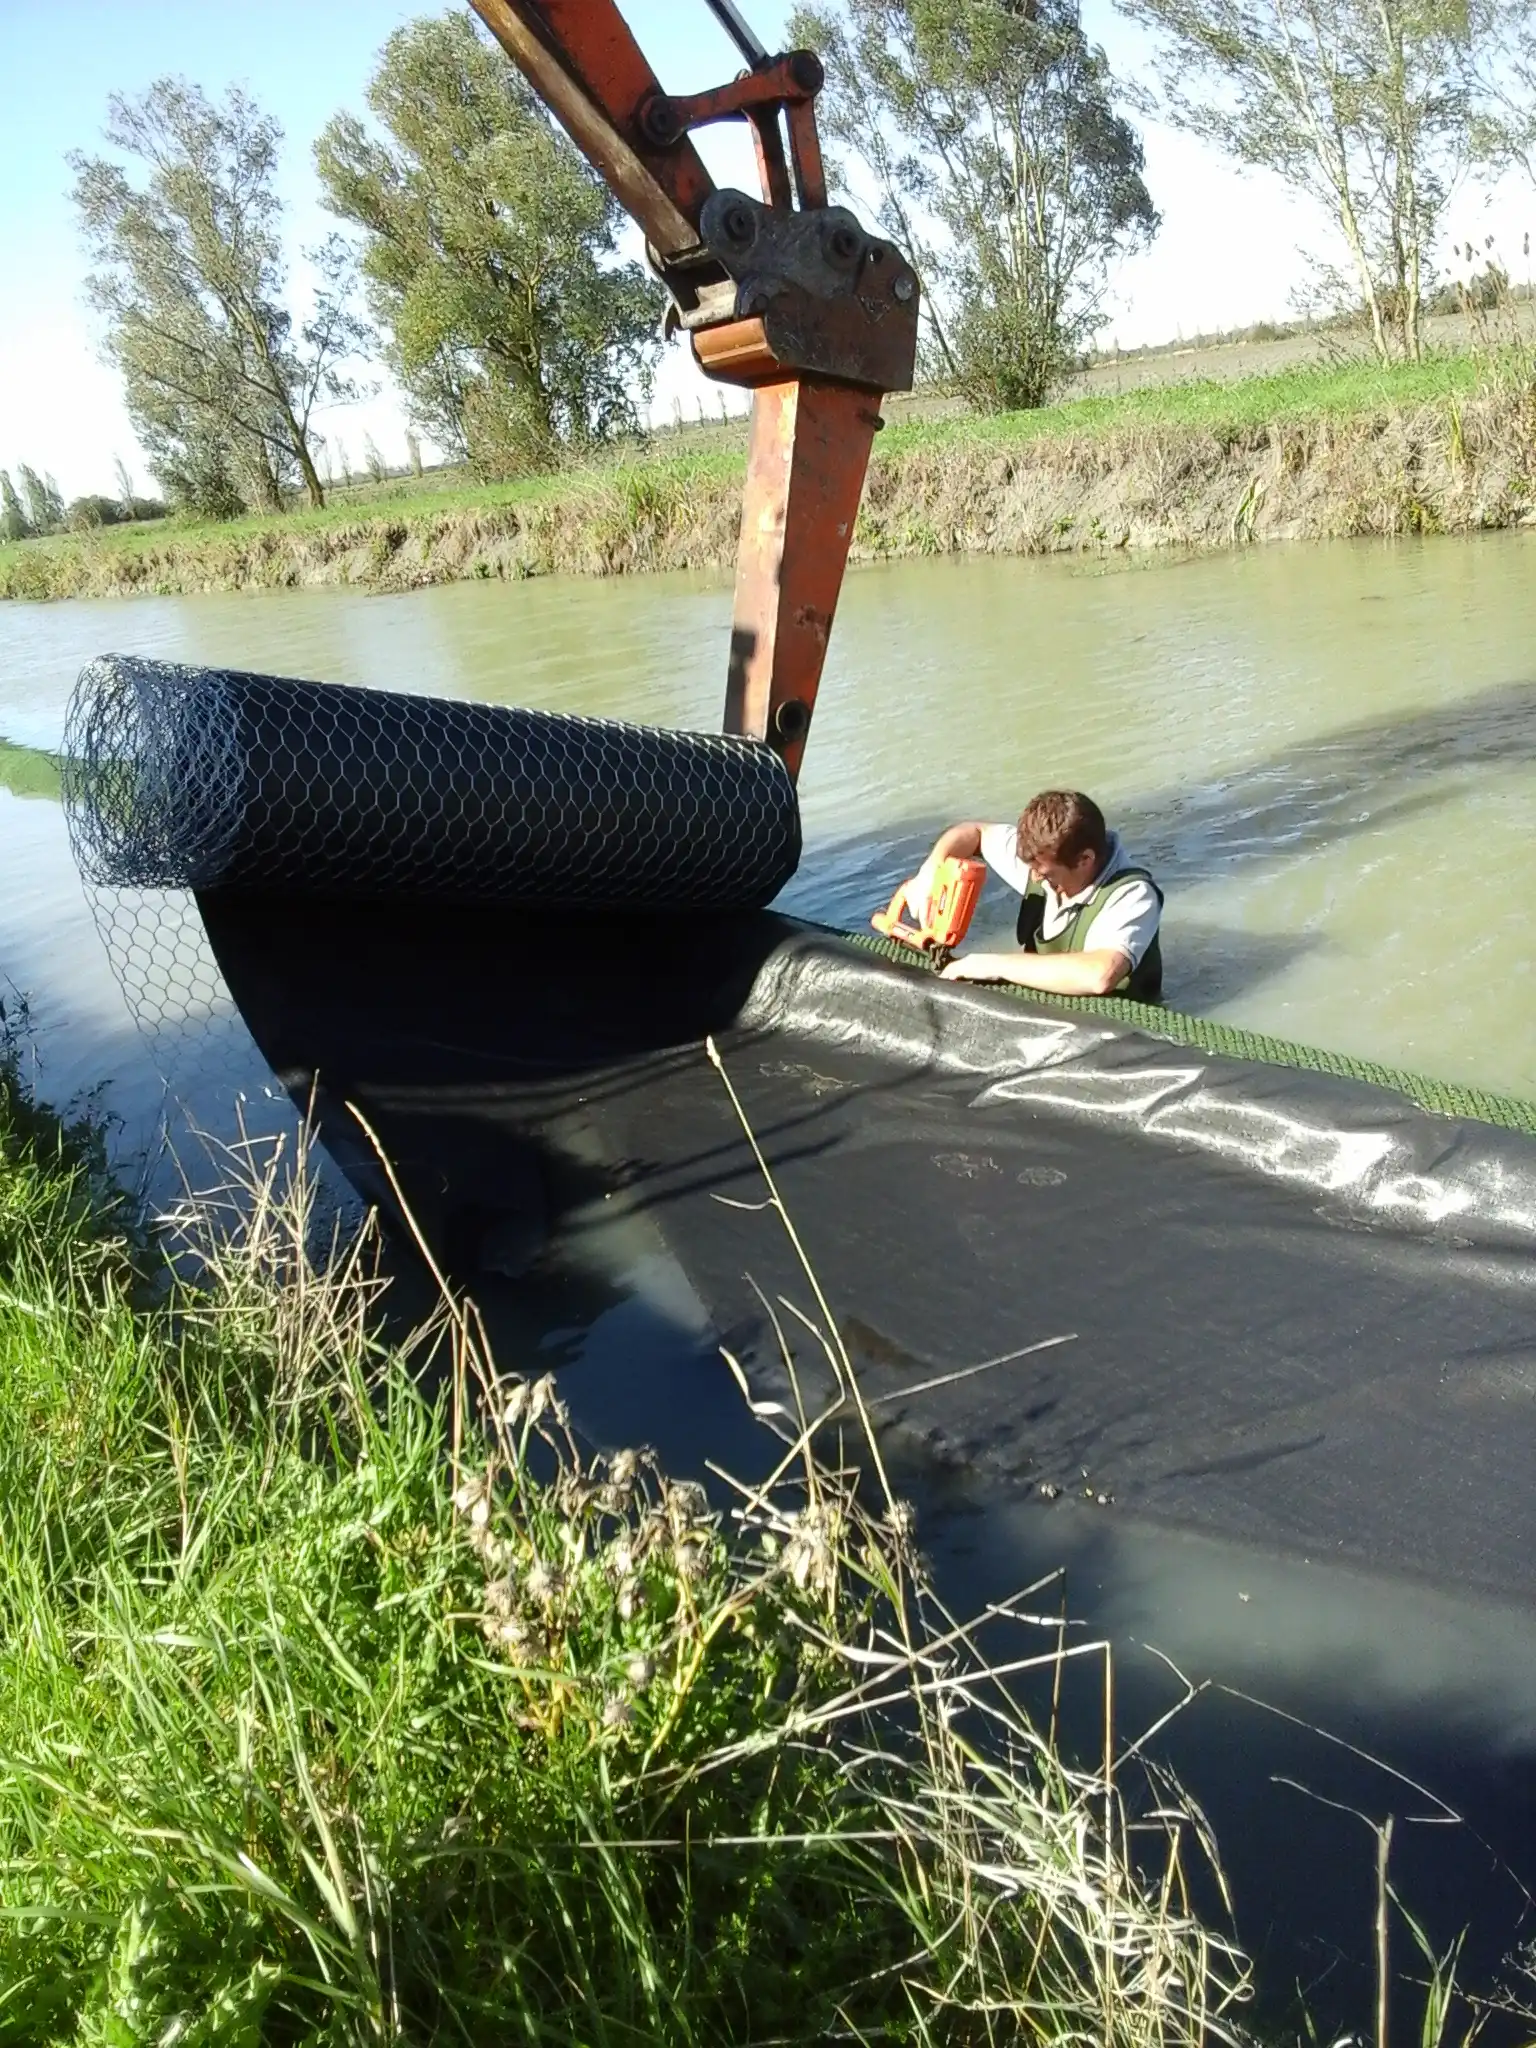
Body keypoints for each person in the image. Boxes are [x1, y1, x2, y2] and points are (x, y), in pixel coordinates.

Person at [920, 789, 1164, 1001]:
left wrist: (989, 964)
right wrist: (930, 871)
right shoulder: (1039, 857)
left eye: (1046, 875)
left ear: (1084, 860)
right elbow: (973, 832)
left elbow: (1101, 975)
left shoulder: (1134, 894)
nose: (1034, 879)